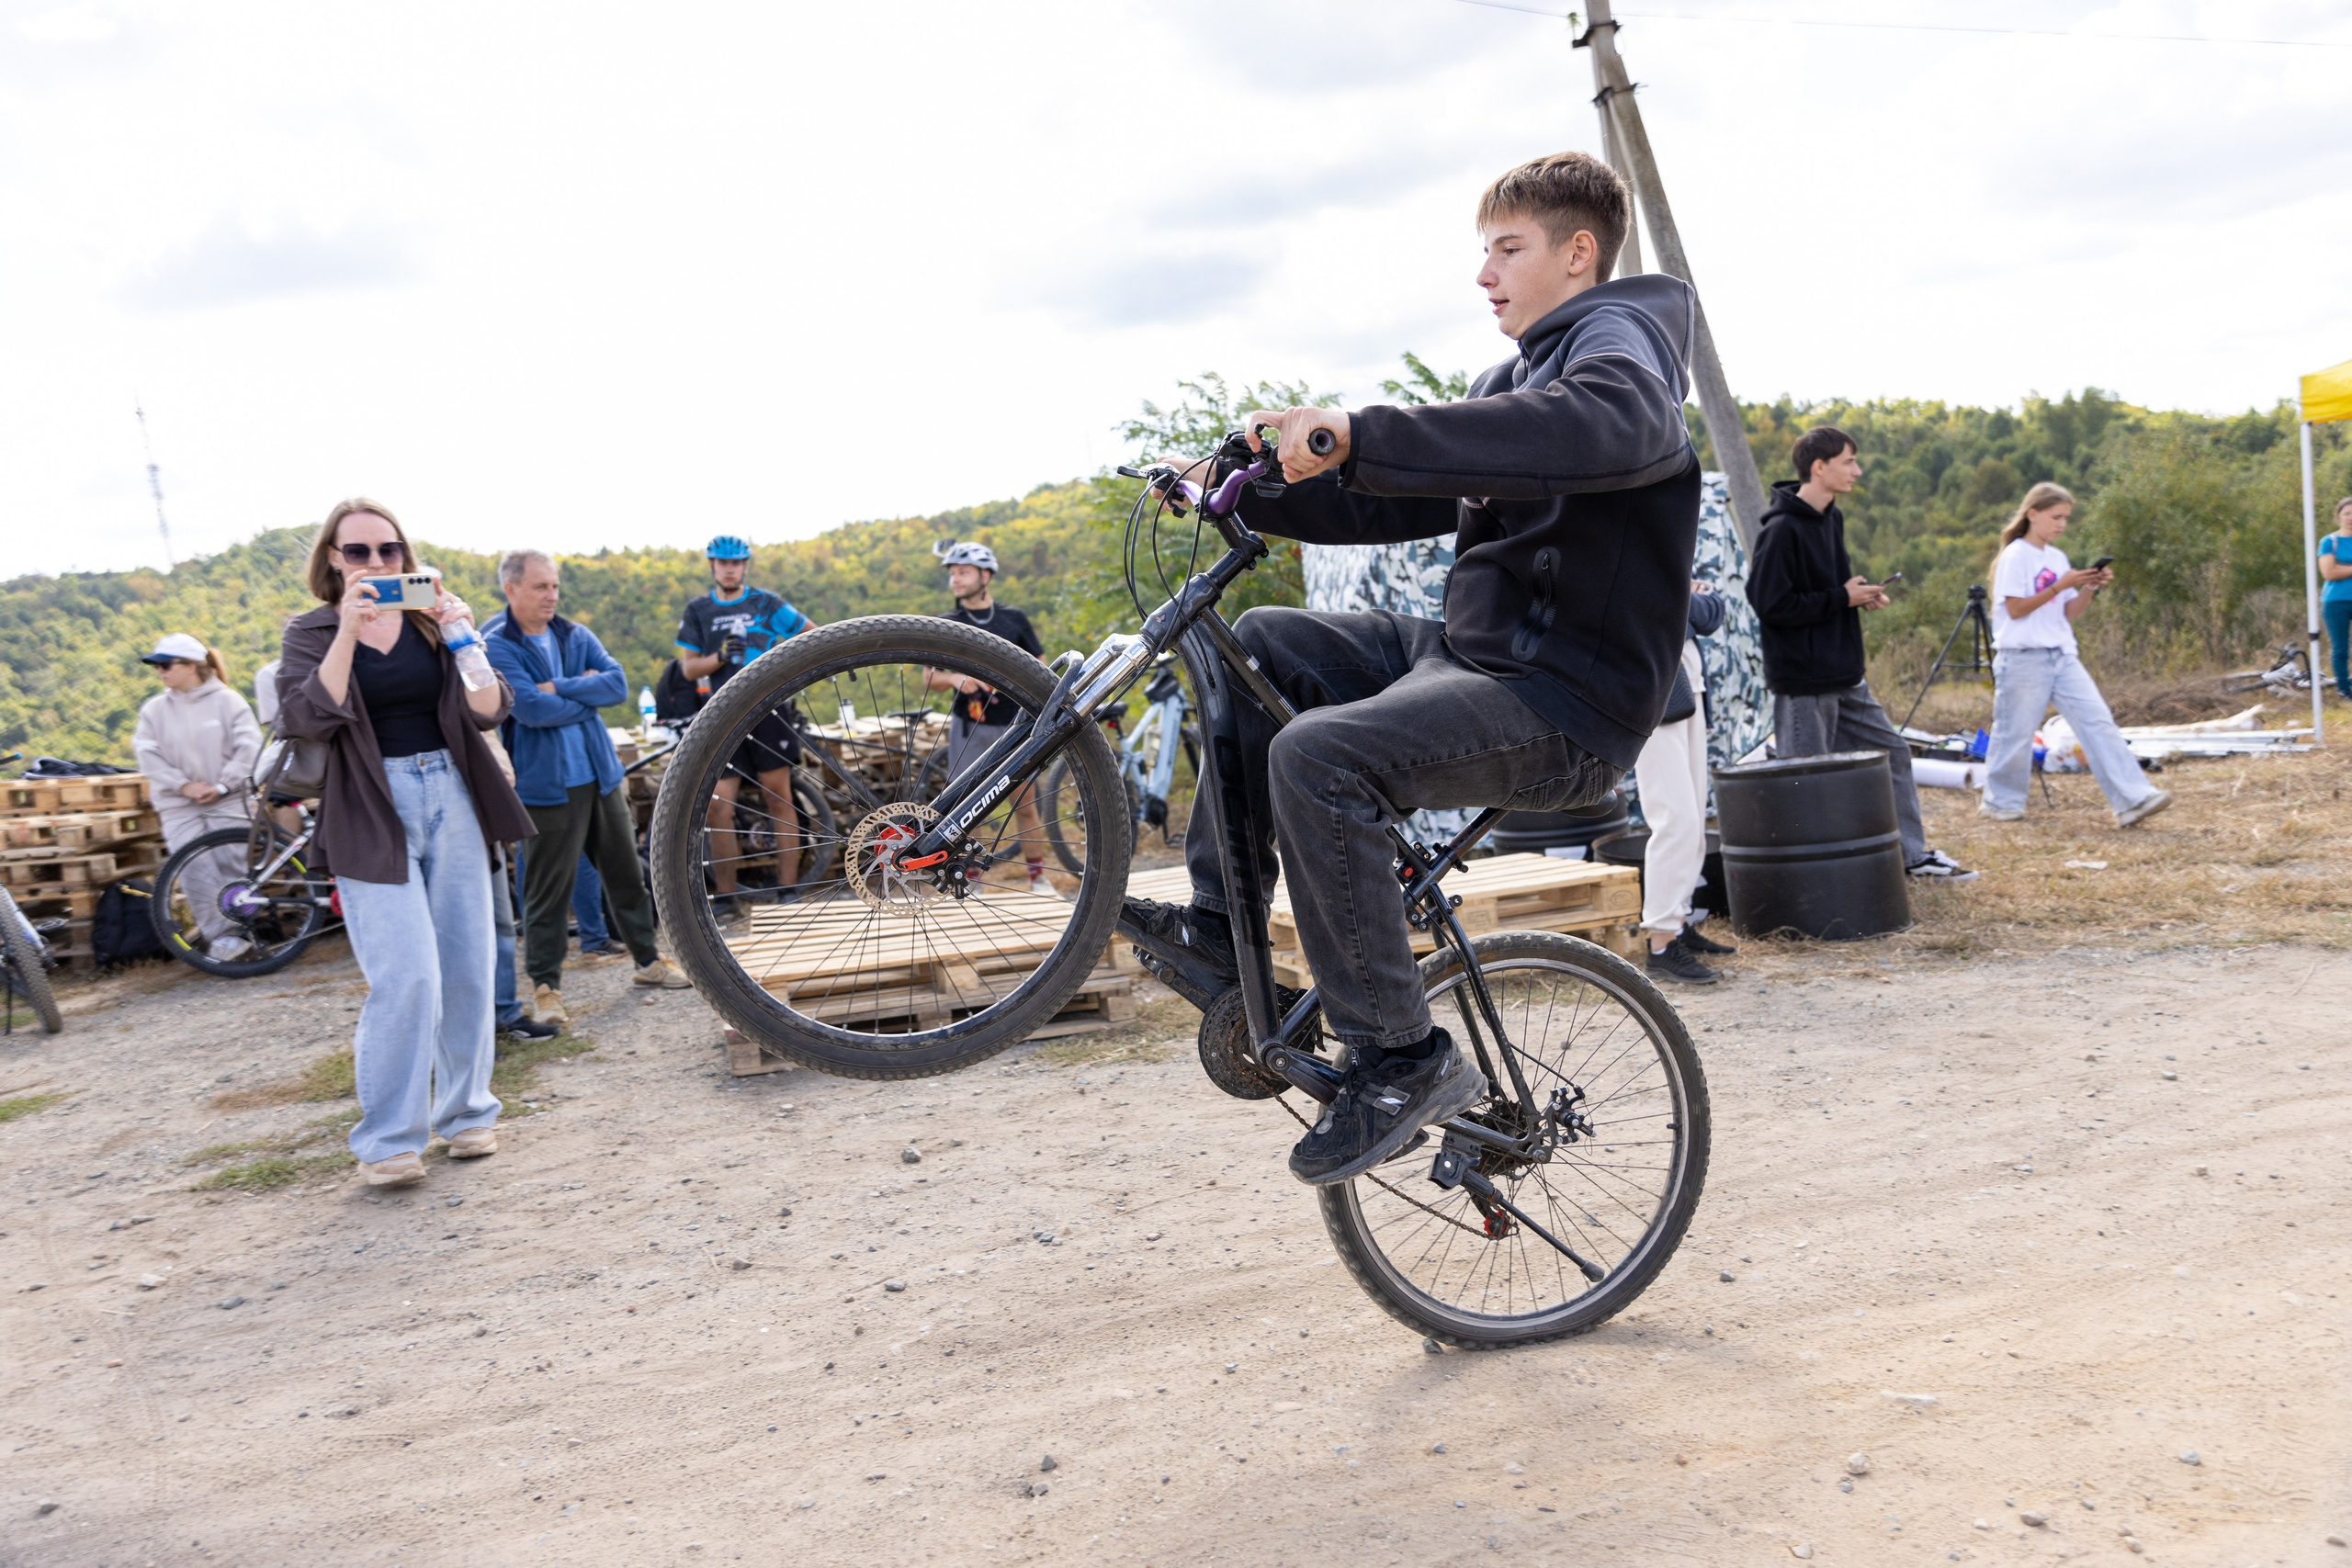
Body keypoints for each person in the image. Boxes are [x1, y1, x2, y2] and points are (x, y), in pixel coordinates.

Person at [1118, 151, 1700, 1186]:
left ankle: (1402, 1056)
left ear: (1579, 253)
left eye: (1507, 250)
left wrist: (1360, 428)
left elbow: (1608, 426)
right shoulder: (1509, 378)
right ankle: (1218, 926)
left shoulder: (1624, 347)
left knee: (1317, 758)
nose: (1485, 274)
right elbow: (1382, 502)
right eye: (1482, 251)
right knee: (1264, 647)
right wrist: (1243, 488)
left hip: (1564, 702)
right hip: (1474, 658)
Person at [275, 498, 538, 1189]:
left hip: (450, 790)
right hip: (369, 805)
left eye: (387, 551)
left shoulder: (429, 623)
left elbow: (489, 706)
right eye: (357, 551)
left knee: (468, 965)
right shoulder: (310, 631)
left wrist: (460, 633)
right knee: (406, 974)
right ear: (332, 557)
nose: (374, 564)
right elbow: (304, 715)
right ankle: (388, 1137)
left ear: (404, 556)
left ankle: (467, 1111)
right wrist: (348, 631)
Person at [1747, 426, 1975, 882]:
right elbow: (1769, 604)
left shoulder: (1832, 518)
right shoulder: (1782, 530)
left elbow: (1830, 591)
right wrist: (1839, 599)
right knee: (1806, 781)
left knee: (1892, 752)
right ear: (1819, 467)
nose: (1858, 470)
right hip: (1804, 682)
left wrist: (1859, 596)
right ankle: (1810, 878)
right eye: (1849, 461)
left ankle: (1912, 858)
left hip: (1845, 673)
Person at [483, 548, 690, 1028]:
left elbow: (616, 687)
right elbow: (529, 710)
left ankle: (648, 964)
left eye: (554, 585)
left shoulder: (575, 634)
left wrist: (556, 687)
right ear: (511, 589)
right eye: (540, 587)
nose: (552, 595)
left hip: (600, 777)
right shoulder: (496, 646)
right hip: (545, 788)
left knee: (627, 877)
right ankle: (546, 988)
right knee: (545, 894)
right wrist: (580, 692)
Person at [1980, 483, 2173, 828]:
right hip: (2023, 657)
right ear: (2032, 513)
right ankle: (2001, 803)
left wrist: (2087, 587)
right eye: (2055, 517)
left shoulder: (2057, 558)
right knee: (2015, 733)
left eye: (2066, 518)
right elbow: (2016, 608)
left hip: (2062, 654)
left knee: (2098, 722)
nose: (2061, 525)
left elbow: (2066, 613)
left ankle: (2132, 799)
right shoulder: (2016, 555)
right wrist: (2060, 585)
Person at [673, 535, 811, 918]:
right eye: (722, 563)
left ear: (744, 566)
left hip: (770, 709)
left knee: (777, 797)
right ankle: (728, 898)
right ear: (712, 566)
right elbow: (688, 668)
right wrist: (719, 657)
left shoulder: (765, 603)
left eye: (736, 563)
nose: (730, 569)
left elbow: (813, 636)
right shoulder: (699, 609)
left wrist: (781, 663)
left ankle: (788, 890)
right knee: (718, 808)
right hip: (724, 714)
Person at [924, 541, 1054, 895]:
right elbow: (929, 678)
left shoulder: (1014, 619)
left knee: (1025, 806)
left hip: (1014, 728)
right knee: (967, 812)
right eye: (952, 574)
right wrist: (954, 678)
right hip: (969, 728)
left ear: (985, 575)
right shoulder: (947, 624)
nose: (955, 580)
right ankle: (970, 882)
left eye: (963, 572)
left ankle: (1038, 879)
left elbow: (1041, 668)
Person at [131, 633, 263, 963]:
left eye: (165, 665)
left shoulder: (229, 701)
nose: (159, 672)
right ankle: (221, 938)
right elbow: (147, 754)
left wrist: (222, 785)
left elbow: (249, 748)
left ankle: (245, 929)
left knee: (232, 864)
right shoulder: (154, 710)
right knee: (193, 867)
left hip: (229, 799)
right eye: (155, 666)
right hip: (178, 805)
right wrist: (183, 785)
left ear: (191, 666)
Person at [1636, 586, 1735, 985]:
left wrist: (1681, 601)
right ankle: (1660, 945)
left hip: (1685, 691)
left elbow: (1710, 612)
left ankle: (1676, 923)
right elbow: (1653, 604)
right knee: (1675, 820)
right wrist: (1682, 597)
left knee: (1692, 821)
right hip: (1653, 695)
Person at [2319, 497, 2352, 702]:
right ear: (2338, 516)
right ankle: (2344, 689)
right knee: (2340, 647)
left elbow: (2337, 569)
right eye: (2347, 513)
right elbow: (2329, 572)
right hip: (2336, 602)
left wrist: (2343, 568)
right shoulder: (2329, 542)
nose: (2351, 518)